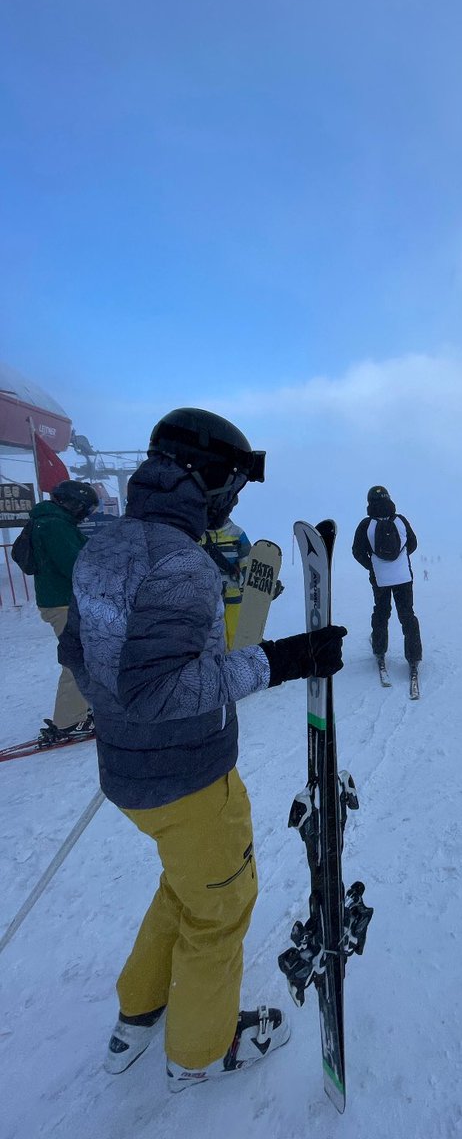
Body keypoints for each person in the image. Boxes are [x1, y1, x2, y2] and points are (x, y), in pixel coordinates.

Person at [57, 407, 346, 1091]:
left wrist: (122, 722)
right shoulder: (180, 563)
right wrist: (280, 660)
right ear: (206, 478)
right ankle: (200, 1051)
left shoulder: (106, 545)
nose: (234, 500)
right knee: (222, 907)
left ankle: (141, 1009)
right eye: (233, 487)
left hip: (130, 774)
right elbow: (160, 690)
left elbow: (78, 653)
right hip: (189, 779)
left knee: (182, 886)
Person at [27, 480, 99, 742]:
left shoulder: (53, 521)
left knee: (85, 655)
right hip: (63, 602)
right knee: (77, 659)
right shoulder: (54, 524)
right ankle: (70, 720)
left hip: (62, 600)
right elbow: (75, 564)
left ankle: (80, 707)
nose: (85, 515)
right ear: (73, 503)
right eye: (85, 509)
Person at [352, 485, 422, 672]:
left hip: (380, 578)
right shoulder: (401, 520)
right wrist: (399, 560)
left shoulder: (366, 524)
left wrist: (373, 566)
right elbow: (413, 544)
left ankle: (379, 650)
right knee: (407, 615)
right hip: (403, 577)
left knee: (381, 613)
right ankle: (414, 656)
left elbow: (357, 551)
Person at [200, 516, 251, 650]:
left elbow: (248, 562)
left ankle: (237, 661)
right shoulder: (198, 534)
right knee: (216, 635)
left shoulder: (237, 533)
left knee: (236, 633)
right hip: (209, 598)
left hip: (234, 594)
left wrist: (250, 584)